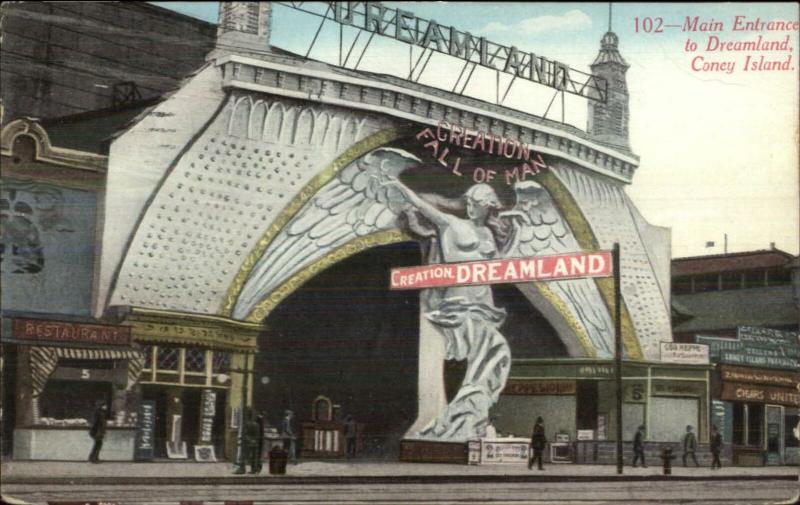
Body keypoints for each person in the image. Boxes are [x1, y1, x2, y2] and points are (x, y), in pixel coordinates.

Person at [383, 179, 511, 441]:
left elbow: (498, 266)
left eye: (477, 205)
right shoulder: (452, 224)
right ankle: (456, 419)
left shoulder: (488, 234)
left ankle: (469, 416)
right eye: (470, 204)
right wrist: (402, 187)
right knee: (477, 355)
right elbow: (422, 206)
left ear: (488, 208)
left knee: (496, 352)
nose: (472, 208)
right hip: (457, 302)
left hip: (484, 303)